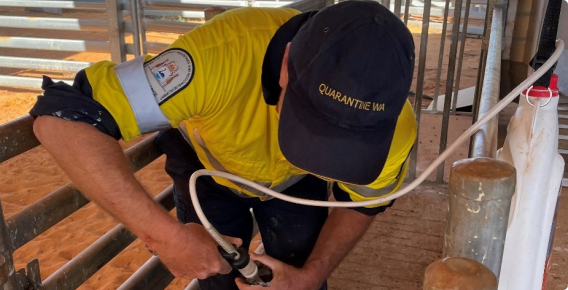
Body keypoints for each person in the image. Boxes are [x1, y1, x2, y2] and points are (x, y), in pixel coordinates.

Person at [30, 1, 416, 289]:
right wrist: (165, 236)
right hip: (206, 168)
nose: (326, 145)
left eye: (345, 144)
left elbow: (362, 204)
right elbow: (62, 119)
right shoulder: (218, 56)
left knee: (299, 268)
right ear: (285, 66)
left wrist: (311, 277)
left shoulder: (396, 129)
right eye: (310, 123)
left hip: (294, 182)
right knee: (213, 274)